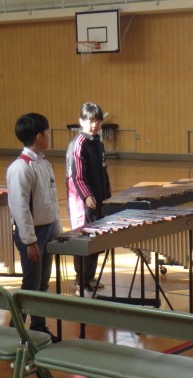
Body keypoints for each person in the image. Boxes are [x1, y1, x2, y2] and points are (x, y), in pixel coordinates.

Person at [7, 113, 61, 341]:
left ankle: (38, 327)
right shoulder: (21, 168)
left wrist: (57, 230)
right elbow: (20, 208)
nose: (49, 136)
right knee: (31, 284)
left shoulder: (44, 164)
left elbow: (51, 200)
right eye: (47, 132)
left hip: (47, 230)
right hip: (32, 235)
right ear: (39, 136)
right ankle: (14, 331)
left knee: (42, 284)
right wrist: (29, 241)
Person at [66, 103, 111, 294]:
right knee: (84, 240)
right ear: (81, 121)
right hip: (82, 201)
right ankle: (80, 280)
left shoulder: (98, 143)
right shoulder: (78, 144)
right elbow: (76, 176)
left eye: (98, 121)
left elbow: (103, 171)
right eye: (91, 121)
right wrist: (87, 196)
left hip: (98, 198)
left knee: (96, 239)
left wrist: (107, 195)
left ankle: (90, 277)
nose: (94, 125)